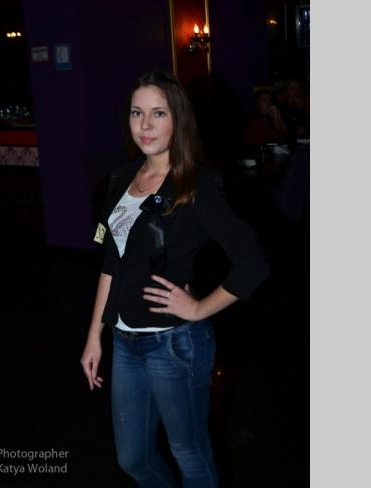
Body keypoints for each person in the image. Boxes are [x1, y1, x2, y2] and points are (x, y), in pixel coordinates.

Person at [80, 69, 270, 488]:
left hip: (173, 344)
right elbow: (111, 261)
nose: (145, 125)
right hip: (125, 343)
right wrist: (95, 335)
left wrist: (200, 307)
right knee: (133, 459)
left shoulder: (195, 185)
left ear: (178, 119)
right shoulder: (120, 179)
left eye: (158, 113)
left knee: (190, 454)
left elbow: (254, 262)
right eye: (137, 113)